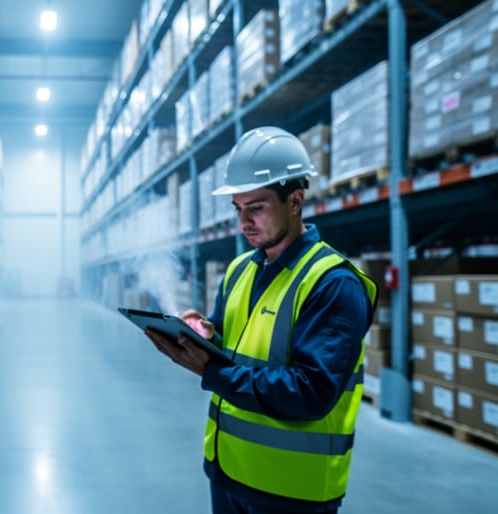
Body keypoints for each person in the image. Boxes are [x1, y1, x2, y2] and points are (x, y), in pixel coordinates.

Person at [145, 126, 378, 514]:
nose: (243, 223)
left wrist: (212, 370)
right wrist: (202, 333)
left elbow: (311, 393)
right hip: (228, 472)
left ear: (296, 200)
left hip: (291, 493)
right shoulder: (239, 271)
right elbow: (231, 343)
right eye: (238, 209)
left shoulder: (333, 283)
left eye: (256, 207)